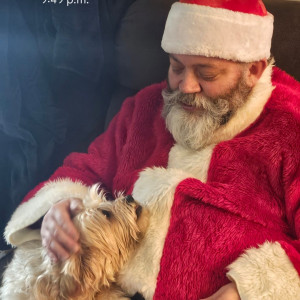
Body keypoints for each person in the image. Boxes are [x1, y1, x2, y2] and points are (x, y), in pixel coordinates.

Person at [3, 0, 300, 299]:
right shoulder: (144, 108)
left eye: (206, 74)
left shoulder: (290, 125)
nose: (186, 86)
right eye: (176, 67)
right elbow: (82, 170)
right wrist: (58, 211)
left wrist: (247, 290)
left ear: (253, 70)